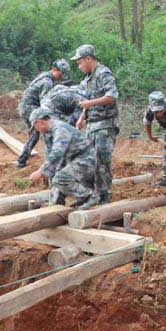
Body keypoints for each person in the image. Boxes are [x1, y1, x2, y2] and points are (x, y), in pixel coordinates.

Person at [73, 44, 119, 203]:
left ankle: (104, 196)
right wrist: (82, 117)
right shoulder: (87, 80)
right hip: (92, 124)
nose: (79, 66)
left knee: (101, 162)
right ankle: (90, 194)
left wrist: (90, 104)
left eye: (80, 62)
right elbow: (87, 103)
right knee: (89, 160)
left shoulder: (103, 74)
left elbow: (112, 96)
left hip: (105, 124)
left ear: (88, 58)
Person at [28, 108, 98, 209]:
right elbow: (53, 156)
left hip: (86, 160)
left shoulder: (60, 129)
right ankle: (58, 204)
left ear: (40, 122)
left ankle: (90, 196)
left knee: (60, 178)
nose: (36, 129)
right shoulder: (50, 131)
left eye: (35, 126)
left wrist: (41, 171)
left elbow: (57, 153)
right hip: (75, 160)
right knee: (57, 177)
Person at [16, 59, 70, 168]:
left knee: (35, 135)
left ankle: (22, 160)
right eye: (61, 73)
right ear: (55, 70)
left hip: (26, 107)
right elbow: (45, 104)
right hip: (30, 108)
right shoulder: (47, 82)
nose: (61, 77)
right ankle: (49, 161)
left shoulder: (44, 76)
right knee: (46, 130)